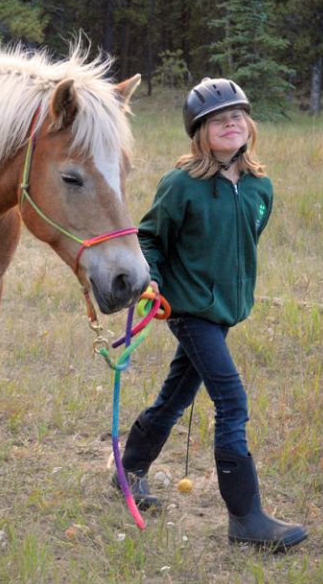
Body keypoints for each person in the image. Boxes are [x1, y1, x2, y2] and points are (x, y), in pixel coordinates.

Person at [114, 78, 307, 551]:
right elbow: (150, 237)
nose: (230, 123)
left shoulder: (261, 186)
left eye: (238, 115)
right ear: (199, 133)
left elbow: (245, 242)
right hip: (189, 310)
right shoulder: (182, 185)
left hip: (223, 313)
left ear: (249, 125)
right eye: (218, 119)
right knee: (232, 402)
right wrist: (154, 278)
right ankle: (246, 519)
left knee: (177, 396)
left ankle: (129, 470)